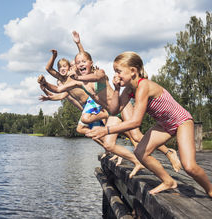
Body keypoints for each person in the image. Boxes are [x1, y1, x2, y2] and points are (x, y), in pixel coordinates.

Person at [51, 31, 182, 172]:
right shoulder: (79, 80)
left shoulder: (95, 74)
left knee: (136, 135)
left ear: (90, 64)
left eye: (83, 63)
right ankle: (137, 161)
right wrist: (45, 86)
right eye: (77, 64)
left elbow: (85, 58)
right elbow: (64, 84)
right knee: (110, 144)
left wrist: (78, 43)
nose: (80, 65)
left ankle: (169, 152)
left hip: (121, 105)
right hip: (111, 112)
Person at [86, 51, 212, 196]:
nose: (116, 75)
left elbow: (135, 121)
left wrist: (106, 130)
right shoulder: (128, 90)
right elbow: (114, 110)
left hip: (181, 121)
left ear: (133, 71)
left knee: (189, 167)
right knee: (140, 153)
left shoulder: (143, 86)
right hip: (164, 125)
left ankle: (209, 189)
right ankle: (168, 181)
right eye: (115, 71)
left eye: (119, 71)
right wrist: (116, 88)